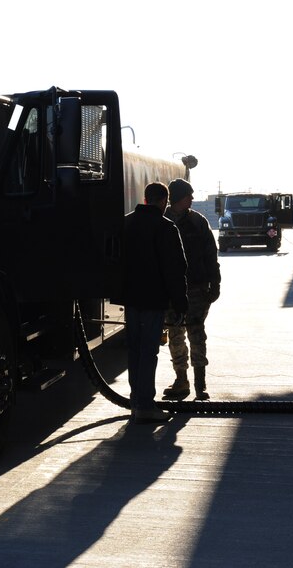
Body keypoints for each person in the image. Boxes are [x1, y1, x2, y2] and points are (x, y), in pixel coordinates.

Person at [121, 182, 189, 424]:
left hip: (130, 299)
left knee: (134, 351)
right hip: (153, 300)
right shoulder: (166, 228)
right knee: (149, 352)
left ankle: (135, 402)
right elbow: (176, 270)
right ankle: (145, 406)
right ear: (164, 202)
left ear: (145, 198)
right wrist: (181, 304)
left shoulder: (126, 223)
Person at [162, 178, 221, 401]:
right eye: (189, 195)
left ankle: (199, 383)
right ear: (179, 197)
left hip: (196, 288)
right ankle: (181, 380)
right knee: (176, 335)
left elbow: (210, 256)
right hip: (171, 291)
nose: (193, 199)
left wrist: (215, 284)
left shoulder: (198, 222)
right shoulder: (162, 220)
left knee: (197, 335)